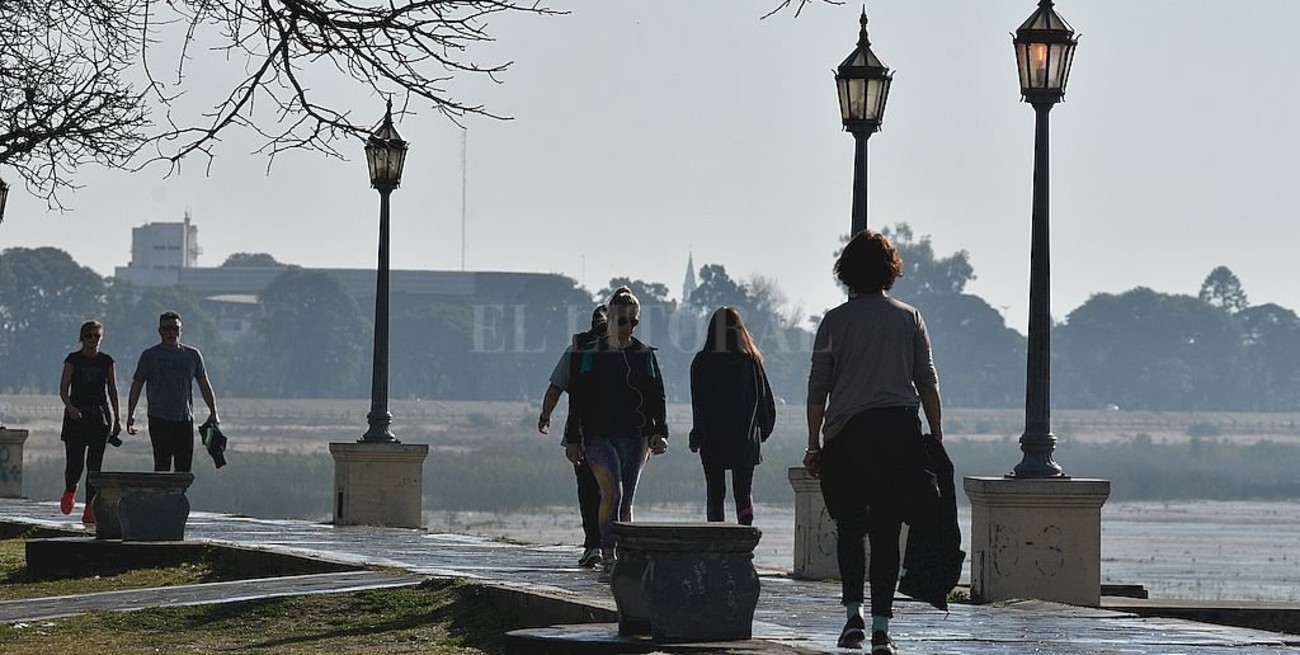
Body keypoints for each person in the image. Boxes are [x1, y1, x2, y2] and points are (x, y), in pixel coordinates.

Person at [804, 230, 943, 654]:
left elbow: (817, 390)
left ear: (846, 273)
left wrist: (814, 444)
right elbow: (928, 384)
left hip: (847, 436)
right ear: (890, 271)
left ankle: (853, 618)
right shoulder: (909, 317)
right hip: (898, 432)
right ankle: (882, 627)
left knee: (850, 529)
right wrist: (935, 438)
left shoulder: (834, 321)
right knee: (887, 531)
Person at [567, 287, 669, 577]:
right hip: (598, 434)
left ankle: (628, 552)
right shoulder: (590, 354)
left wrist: (660, 432)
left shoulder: (643, 354)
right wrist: (573, 438)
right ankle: (608, 550)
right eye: (623, 321)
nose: (628, 328)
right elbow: (578, 397)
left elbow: (656, 394)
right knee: (611, 490)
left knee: (627, 500)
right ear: (610, 318)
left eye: (633, 322)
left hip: (634, 435)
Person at [688, 307, 775, 526]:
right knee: (743, 494)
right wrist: (761, 432)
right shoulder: (750, 362)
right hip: (745, 439)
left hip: (712, 438)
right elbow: (765, 401)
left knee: (715, 494)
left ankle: (716, 545)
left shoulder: (702, 362)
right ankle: (745, 542)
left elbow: (699, 405)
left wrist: (697, 435)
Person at [537, 304, 607, 568]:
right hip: (617, 434)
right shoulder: (626, 350)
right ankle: (609, 545)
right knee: (614, 491)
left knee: (589, 490)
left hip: (583, 432)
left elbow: (555, 389)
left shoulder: (576, 351)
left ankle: (594, 545)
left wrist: (545, 417)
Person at [126, 311, 221, 473]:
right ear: (160, 331)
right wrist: (130, 414)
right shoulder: (150, 356)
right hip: (159, 418)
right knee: (162, 465)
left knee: (184, 468)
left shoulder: (192, 355)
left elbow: (204, 384)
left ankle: (178, 498)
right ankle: (162, 498)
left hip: (184, 418)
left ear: (180, 330)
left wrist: (214, 412)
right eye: (167, 329)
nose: (171, 333)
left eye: (175, 329)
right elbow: (137, 385)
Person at [58, 320, 122, 523]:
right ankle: (70, 489)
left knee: (94, 467)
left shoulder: (107, 361)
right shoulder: (73, 360)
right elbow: (63, 388)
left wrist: (118, 418)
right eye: (89, 336)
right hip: (76, 416)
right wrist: (70, 408)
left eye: (97, 336)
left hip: (99, 417)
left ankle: (90, 508)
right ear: (82, 338)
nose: (93, 340)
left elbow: (112, 390)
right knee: (75, 463)